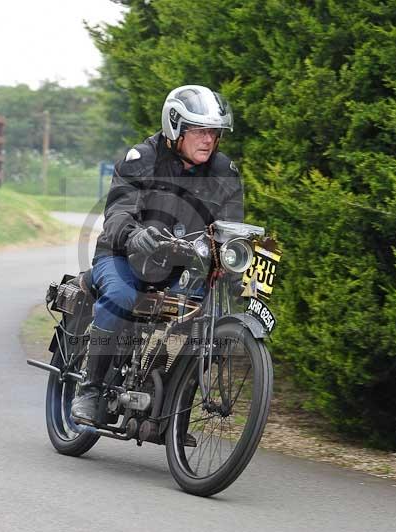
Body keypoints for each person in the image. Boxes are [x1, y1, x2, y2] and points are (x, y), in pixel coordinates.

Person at [71, 85, 244, 425]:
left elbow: (232, 230)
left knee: (214, 320)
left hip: (182, 269)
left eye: (214, 132)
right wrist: (135, 235)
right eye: (199, 131)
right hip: (123, 258)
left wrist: (233, 265)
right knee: (121, 295)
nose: (208, 140)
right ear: (175, 126)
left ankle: (172, 414)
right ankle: (90, 390)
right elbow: (118, 213)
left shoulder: (225, 173)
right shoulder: (142, 159)